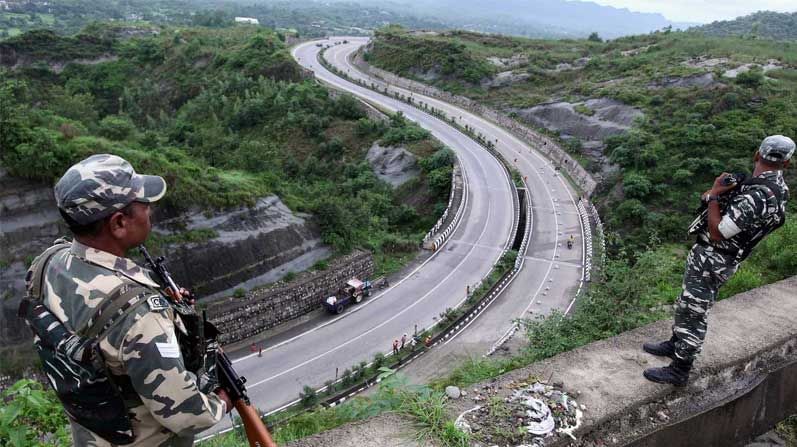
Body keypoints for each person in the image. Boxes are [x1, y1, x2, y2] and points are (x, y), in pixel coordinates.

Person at [22, 154, 231, 446]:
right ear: (119, 223)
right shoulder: (140, 315)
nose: (150, 211)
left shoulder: (46, 264)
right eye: (143, 205)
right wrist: (221, 401)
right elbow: (188, 416)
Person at [643, 135, 793, 386]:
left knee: (695, 310)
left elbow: (718, 231)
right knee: (687, 303)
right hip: (713, 256)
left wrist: (714, 196)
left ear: (758, 154)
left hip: (716, 257)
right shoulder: (769, 188)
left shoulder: (759, 195)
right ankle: (676, 344)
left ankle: (680, 369)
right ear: (786, 164)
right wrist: (718, 193)